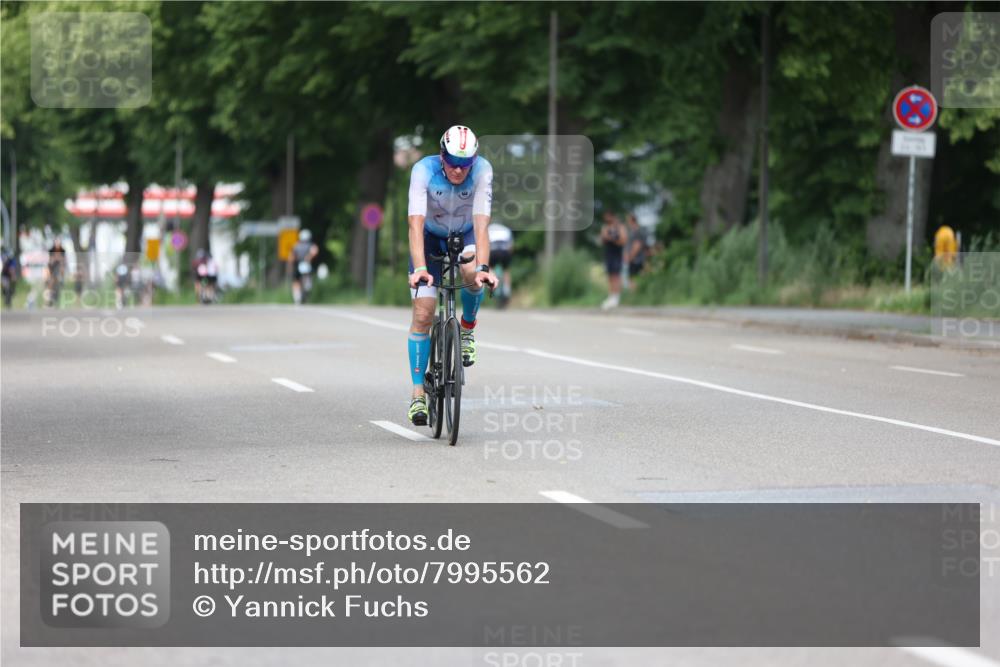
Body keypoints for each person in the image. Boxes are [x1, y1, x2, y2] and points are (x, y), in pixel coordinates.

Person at [405, 124, 498, 426]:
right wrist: (420, 269)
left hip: (465, 232)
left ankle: (467, 329)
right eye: (453, 162)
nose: (458, 170)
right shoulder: (423, 170)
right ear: (441, 155)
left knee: (472, 272)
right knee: (423, 313)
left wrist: (483, 268)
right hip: (429, 237)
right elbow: (415, 225)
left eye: (465, 163)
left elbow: (481, 225)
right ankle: (418, 394)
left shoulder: (482, 171)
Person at [599, 211, 626, 309]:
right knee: (610, 276)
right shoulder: (605, 228)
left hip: (617, 255)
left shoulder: (620, 228)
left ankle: (616, 297)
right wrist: (605, 237)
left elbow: (623, 240)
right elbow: (601, 240)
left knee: (616, 276)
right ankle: (611, 296)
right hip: (608, 255)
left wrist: (611, 239)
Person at [289, 228, 319, 305]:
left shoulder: (296, 245)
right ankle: (303, 291)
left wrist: (292, 262)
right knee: (303, 279)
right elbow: (315, 251)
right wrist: (309, 257)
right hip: (305, 264)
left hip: (300, 264)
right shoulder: (311, 245)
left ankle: (297, 297)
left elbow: (291, 256)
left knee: (296, 280)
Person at [487, 221, 514, 304]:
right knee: (506, 270)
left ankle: (492, 283)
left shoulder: (488, 228)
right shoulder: (506, 229)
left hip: (493, 251)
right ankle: (507, 290)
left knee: (489, 267)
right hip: (505, 251)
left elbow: (485, 244)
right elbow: (511, 246)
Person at [624, 212, 648, 288]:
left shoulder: (637, 231)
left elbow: (637, 245)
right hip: (633, 259)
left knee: (634, 279)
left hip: (636, 259)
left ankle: (637, 292)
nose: (627, 222)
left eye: (628, 220)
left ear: (631, 220)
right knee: (633, 278)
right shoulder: (632, 231)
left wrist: (630, 257)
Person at [45, 237, 67, 308]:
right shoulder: (51, 250)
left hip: (59, 267)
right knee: (50, 282)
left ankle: (62, 279)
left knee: (62, 268)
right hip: (52, 267)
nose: (58, 244)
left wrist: (59, 260)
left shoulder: (62, 250)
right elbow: (50, 260)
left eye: (59, 242)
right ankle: (49, 300)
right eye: (57, 242)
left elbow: (63, 260)